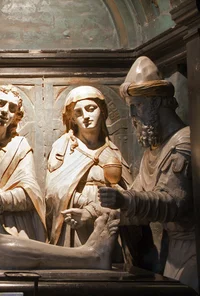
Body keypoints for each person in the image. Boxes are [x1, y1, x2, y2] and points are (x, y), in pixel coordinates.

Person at [100, 56, 197, 292]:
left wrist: (125, 200)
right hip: (171, 247)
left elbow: (174, 203)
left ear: (157, 103)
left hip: (192, 248)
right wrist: (98, 213)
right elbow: (140, 203)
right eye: (131, 107)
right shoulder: (153, 151)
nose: (133, 114)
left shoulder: (183, 143)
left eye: (139, 105)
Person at [46, 86, 132, 247]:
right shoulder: (63, 147)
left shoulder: (112, 151)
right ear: (72, 119)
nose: (86, 116)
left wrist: (98, 206)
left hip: (107, 220)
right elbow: (52, 190)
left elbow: (130, 193)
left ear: (102, 112)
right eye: (78, 112)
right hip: (75, 222)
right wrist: (81, 201)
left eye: (91, 109)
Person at [0, 85, 46, 241]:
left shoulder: (19, 146)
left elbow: (30, 196)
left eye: (12, 108)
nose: (5, 111)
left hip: (12, 226)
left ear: (16, 116)